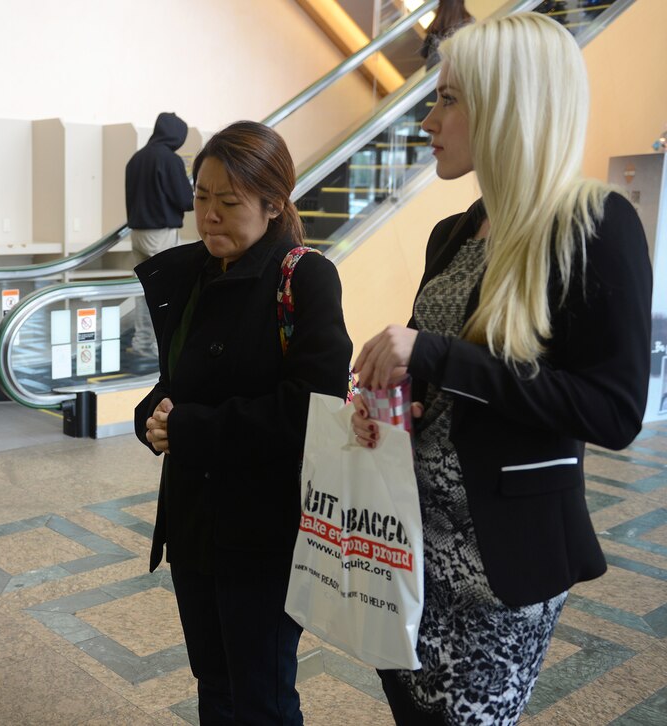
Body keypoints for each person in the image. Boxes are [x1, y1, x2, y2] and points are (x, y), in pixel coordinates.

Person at [351, 13, 651, 725]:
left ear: (509, 104)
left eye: (449, 99)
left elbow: (614, 411)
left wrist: (439, 356)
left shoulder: (595, 225)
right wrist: (389, 406)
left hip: (500, 570)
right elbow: (435, 385)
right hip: (408, 552)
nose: (429, 119)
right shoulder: (451, 233)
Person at [134, 121, 352, 724]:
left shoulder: (304, 277)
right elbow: (178, 382)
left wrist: (192, 430)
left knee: (262, 692)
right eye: (201, 198)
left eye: (227, 202)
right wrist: (152, 415)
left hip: (266, 531)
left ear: (273, 203)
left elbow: (313, 405)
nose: (208, 216)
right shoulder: (195, 276)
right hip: (195, 521)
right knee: (214, 679)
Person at [125, 111, 195, 358]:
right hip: (161, 234)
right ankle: (160, 347)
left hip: (137, 234)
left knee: (146, 292)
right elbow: (186, 200)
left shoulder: (136, 159)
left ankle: (143, 342)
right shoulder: (170, 160)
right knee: (168, 291)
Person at [419, 0, 473, 69]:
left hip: (435, 70)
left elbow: (424, 52)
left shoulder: (437, 24)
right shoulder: (469, 22)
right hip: (457, 70)